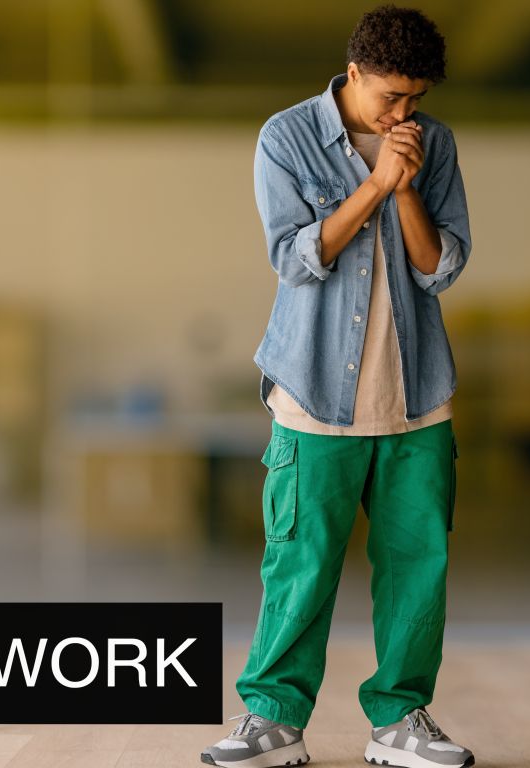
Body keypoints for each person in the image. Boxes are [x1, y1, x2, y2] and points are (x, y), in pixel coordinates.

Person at [200, 6, 474, 768]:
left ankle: (401, 722)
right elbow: (295, 259)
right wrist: (376, 182)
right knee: (301, 560)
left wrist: (407, 187)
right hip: (315, 392)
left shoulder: (434, 144)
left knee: (418, 564)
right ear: (354, 73)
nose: (403, 114)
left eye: (415, 100)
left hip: (417, 393)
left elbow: (440, 268)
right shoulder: (285, 138)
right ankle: (272, 723)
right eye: (390, 98)